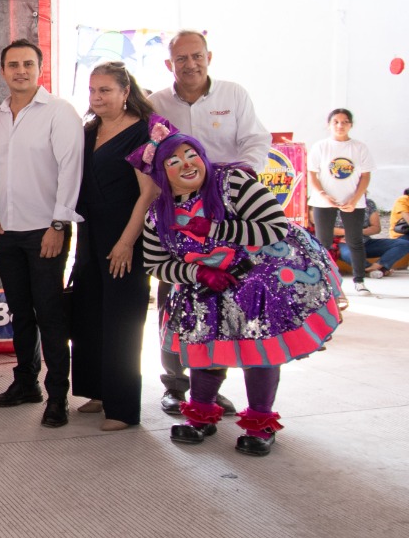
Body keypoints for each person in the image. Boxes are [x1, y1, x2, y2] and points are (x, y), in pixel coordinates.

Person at [133, 119, 343, 457]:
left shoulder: (233, 183)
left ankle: (260, 423)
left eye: (192, 155)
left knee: (258, 349)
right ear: (161, 173)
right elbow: (156, 264)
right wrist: (197, 273)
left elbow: (275, 227)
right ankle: (201, 415)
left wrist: (216, 228)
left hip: (258, 282)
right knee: (204, 347)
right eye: (174, 160)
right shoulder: (158, 214)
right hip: (205, 289)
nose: (187, 164)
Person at [148, 30, 270, 416]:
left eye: (196, 56)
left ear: (209, 57)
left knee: (226, 302)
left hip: (227, 216)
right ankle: (175, 384)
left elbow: (257, 140)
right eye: (181, 58)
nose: (190, 64)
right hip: (177, 219)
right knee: (174, 298)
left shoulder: (233, 95)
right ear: (169, 64)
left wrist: (240, 173)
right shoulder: (156, 104)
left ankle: (209, 390)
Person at [0, 40, 83, 428]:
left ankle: (57, 395)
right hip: (6, 231)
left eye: (27, 64)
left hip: (45, 232)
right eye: (13, 65)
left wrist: (59, 224)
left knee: (50, 315)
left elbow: (71, 171)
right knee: (21, 313)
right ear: (3, 71)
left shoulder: (59, 112)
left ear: (39, 69)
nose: (20, 70)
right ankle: (26, 383)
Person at [67, 63, 154, 431]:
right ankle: (98, 392)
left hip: (126, 236)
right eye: (92, 90)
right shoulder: (89, 131)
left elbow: (149, 194)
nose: (97, 97)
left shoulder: (143, 132)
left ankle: (122, 408)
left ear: (125, 91)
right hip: (90, 235)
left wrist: (126, 242)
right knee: (89, 314)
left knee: (122, 321)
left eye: (105, 90)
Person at [308, 108, 376, 296]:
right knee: (323, 242)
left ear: (350, 125)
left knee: (355, 241)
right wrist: (324, 195)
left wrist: (354, 199)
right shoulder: (320, 147)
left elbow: (365, 176)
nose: (340, 125)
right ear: (329, 125)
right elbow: (312, 174)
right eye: (336, 122)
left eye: (344, 122)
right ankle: (323, 282)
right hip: (324, 202)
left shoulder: (359, 147)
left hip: (353, 202)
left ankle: (359, 281)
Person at [336, 199, 409, 278]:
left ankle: (379, 266)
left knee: (404, 244)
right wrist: (348, 233)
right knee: (349, 254)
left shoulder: (368, 203)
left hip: (365, 242)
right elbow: (327, 229)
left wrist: (358, 232)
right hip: (343, 242)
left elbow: (376, 228)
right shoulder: (332, 204)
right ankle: (370, 269)